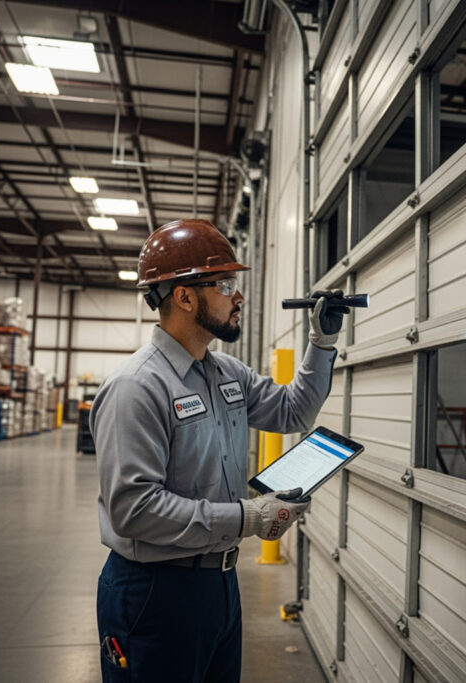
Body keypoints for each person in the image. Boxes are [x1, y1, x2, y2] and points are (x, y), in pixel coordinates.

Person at [90, 218, 347, 682]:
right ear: (185, 296)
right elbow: (133, 509)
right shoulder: (135, 388)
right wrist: (251, 517)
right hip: (154, 592)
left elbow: (292, 412)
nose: (239, 296)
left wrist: (321, 343)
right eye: (226, 284)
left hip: (220, 583)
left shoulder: (226, 373)